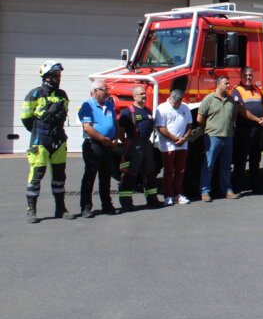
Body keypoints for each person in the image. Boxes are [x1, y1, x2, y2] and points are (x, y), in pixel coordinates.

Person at [20, 60, 75, 223]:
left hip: (58, 138)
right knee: (37, 174)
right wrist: (39, 132)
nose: (58, 78)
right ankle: (31, 210)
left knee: (59, 175)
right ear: (46, 76)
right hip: (40, 139)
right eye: (55, 75)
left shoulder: (62, 95)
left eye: (59, 75)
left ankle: (61, 209)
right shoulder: (35, 94)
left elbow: (63, 114)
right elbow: (26, 118)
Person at [78, 79, 119, 218]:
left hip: (108, 145)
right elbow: (87, 127)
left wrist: (115, 138)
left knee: (106, 176)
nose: (107, 92)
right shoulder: (87, 105)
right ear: (95, 91)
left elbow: (115, 122)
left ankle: (107, 204)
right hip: (94, 145)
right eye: (104, 89)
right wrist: (102, 139)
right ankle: (86, 207)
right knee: (90, 176)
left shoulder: (109, 104)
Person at [197, 75, 240, 201]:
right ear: (218, 84)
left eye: (228, 83)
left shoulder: (231, 100)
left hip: (228, 137)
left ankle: (227, 190)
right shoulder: (209, 99)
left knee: (226, 166)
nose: (228, 85)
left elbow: (233, 117)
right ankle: (205, 192)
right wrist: (210, 129)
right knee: (209, 165)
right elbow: (200, 119)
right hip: (212, 138)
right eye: (226, 83)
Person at [118, 85, 160, 211]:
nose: (144, 95)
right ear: (134, 96)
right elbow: (120, 129)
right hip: (133, 144)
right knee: (130, 173)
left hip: (146, 143)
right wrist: (126, 142)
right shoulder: (127, 111)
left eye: (144, 93)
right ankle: (126, 203)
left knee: (150, 172)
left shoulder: (147, 110)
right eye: (141, 94)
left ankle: (152, 199)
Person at [231, 66, 263, 195]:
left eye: (250, 75)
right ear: (241, 76)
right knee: (240, 160)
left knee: (255, 159)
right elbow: (241, 110)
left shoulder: (258, 89)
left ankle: (256, 186)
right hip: (245, 130)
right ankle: (237, 187)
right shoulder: (237, 90)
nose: (248, 77)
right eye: (246, 75)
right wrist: (257, 120)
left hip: (258, 130)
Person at [156, 89, 192, 206]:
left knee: (180, 170)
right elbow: (161, 127)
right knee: (168, 171)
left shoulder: (185, 107)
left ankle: (177, 194)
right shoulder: (162, 108)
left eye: (179, 102)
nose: (176, 105)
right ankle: (168, 195)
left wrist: (184, 138)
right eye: (175, 102)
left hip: (182, 145)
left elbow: (189, 124)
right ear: (170, 98)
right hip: (168, 146)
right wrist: (173, 138)